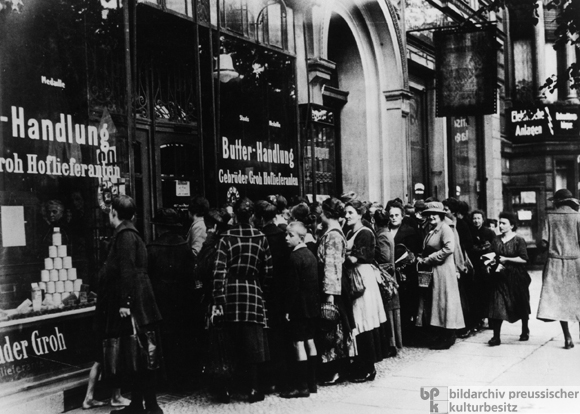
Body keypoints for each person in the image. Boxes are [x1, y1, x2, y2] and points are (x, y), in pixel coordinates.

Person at [95, 195, 163, 414]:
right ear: (133, 215)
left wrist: (125, 303)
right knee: (141, 356)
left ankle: (148, 406)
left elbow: (127, 270)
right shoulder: (132, 234)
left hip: (133, 306)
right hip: (142, 302)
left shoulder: (124, 236)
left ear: (113, 212)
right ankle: (142, 405)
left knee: (138, 354)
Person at [212, 197, 273, 403]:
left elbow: (219, 270)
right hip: (253, 291)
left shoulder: (225, 237)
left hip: (230, 291)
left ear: (235, 215)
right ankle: (254, 388)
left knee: (229, 343)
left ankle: (227, 389)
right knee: (253, 341)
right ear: (253, 216)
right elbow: (268, 270)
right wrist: (261, 289)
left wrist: (218, 299)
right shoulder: (261, 237)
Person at [147, 208, 196, 389]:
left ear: (159, 227)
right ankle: (182, 377)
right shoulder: (183, 246)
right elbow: (191, 274)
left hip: (161, 302)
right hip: (183, 301)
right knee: (182, 339)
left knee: (164, 340)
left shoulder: (152, 248)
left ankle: (166, 379)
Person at [344, 200, 389, 382]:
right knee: (358, 321)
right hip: (356, 277)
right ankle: (361, 364)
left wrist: (342, 256)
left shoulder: (364, 233)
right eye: (346, 213)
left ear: (360, 214)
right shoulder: (351, 231)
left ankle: (368, 368)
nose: (346, 216)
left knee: (363, 320)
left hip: (361, 279)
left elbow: (355, 258)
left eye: (350, 213)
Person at [194, 208, 232, 402]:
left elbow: (201, 269)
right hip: (233, 296)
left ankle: (221, 384)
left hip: (215, 298)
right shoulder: (231, 238)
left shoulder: (212, 245)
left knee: (217, 341)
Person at [316, 197, 354, 385]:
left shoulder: (332, 235)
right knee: (336, 329)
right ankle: (336, 368)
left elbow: (331, 267)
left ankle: (335, 370)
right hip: (338, 286)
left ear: (327, 213)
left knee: (332, 329)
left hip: (334, 289)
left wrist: (329, 296)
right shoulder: (334, 232)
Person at [416, 201, 465, 350]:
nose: (431, 217)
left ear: (441, 215)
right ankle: (441, 335)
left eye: (434, 214)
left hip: (444, 270)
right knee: (438, 302)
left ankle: (448, 337)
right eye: (429, 214)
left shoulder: (445, 229)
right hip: (436, 270)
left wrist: (429, 258)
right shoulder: (433, 229)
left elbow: (449, 248)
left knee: (445, 301)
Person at [254, 200, 291, 393]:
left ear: (259, 217)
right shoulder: (282, 236)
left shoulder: (259, 237)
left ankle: (267, 379)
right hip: (281, 292)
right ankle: (282, 379)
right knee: (280, 337)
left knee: (265, 337)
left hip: (264, 291)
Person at [280, 222, 320, 398]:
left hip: (298, 308)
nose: (286, 238)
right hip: (312, 307)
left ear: (300, 238)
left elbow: (292, 288)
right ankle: (312, 382)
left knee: (298, 343)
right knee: (310, 341)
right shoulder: (310, 255)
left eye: (290, 235)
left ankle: (301, 385)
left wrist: (287, 309)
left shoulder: (294, 258)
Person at [537, 189, 580, 349]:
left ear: (557, 202)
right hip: (575, 262)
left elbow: (542, 243)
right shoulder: (578, 216)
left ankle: (567, 337)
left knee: (560, 300)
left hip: (555, 263)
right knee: (577, 298)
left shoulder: (550, 217)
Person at [487, 212, 531, 347]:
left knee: (520, 302)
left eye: (503, 223)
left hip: (517, 276)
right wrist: (489, 263)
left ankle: (525, 329)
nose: (500, 225)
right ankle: (496, 336)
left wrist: (507, 259)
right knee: (497, 303)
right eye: (499, 223)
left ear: (511, 225)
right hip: (500, 276)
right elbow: (493, 254)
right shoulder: (496, 240)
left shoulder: (519, 240)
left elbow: (524, 259)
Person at [470, 210, 496, 330]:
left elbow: (494, 247)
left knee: (488, 293)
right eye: (474, 218)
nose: (476, 221)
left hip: (486, 265)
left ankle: (491, 319)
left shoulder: (489, 232)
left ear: (483, 219)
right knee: (476, 294)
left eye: (478, 218)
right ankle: (478, 319)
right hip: (475, 265)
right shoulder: (470, 232)